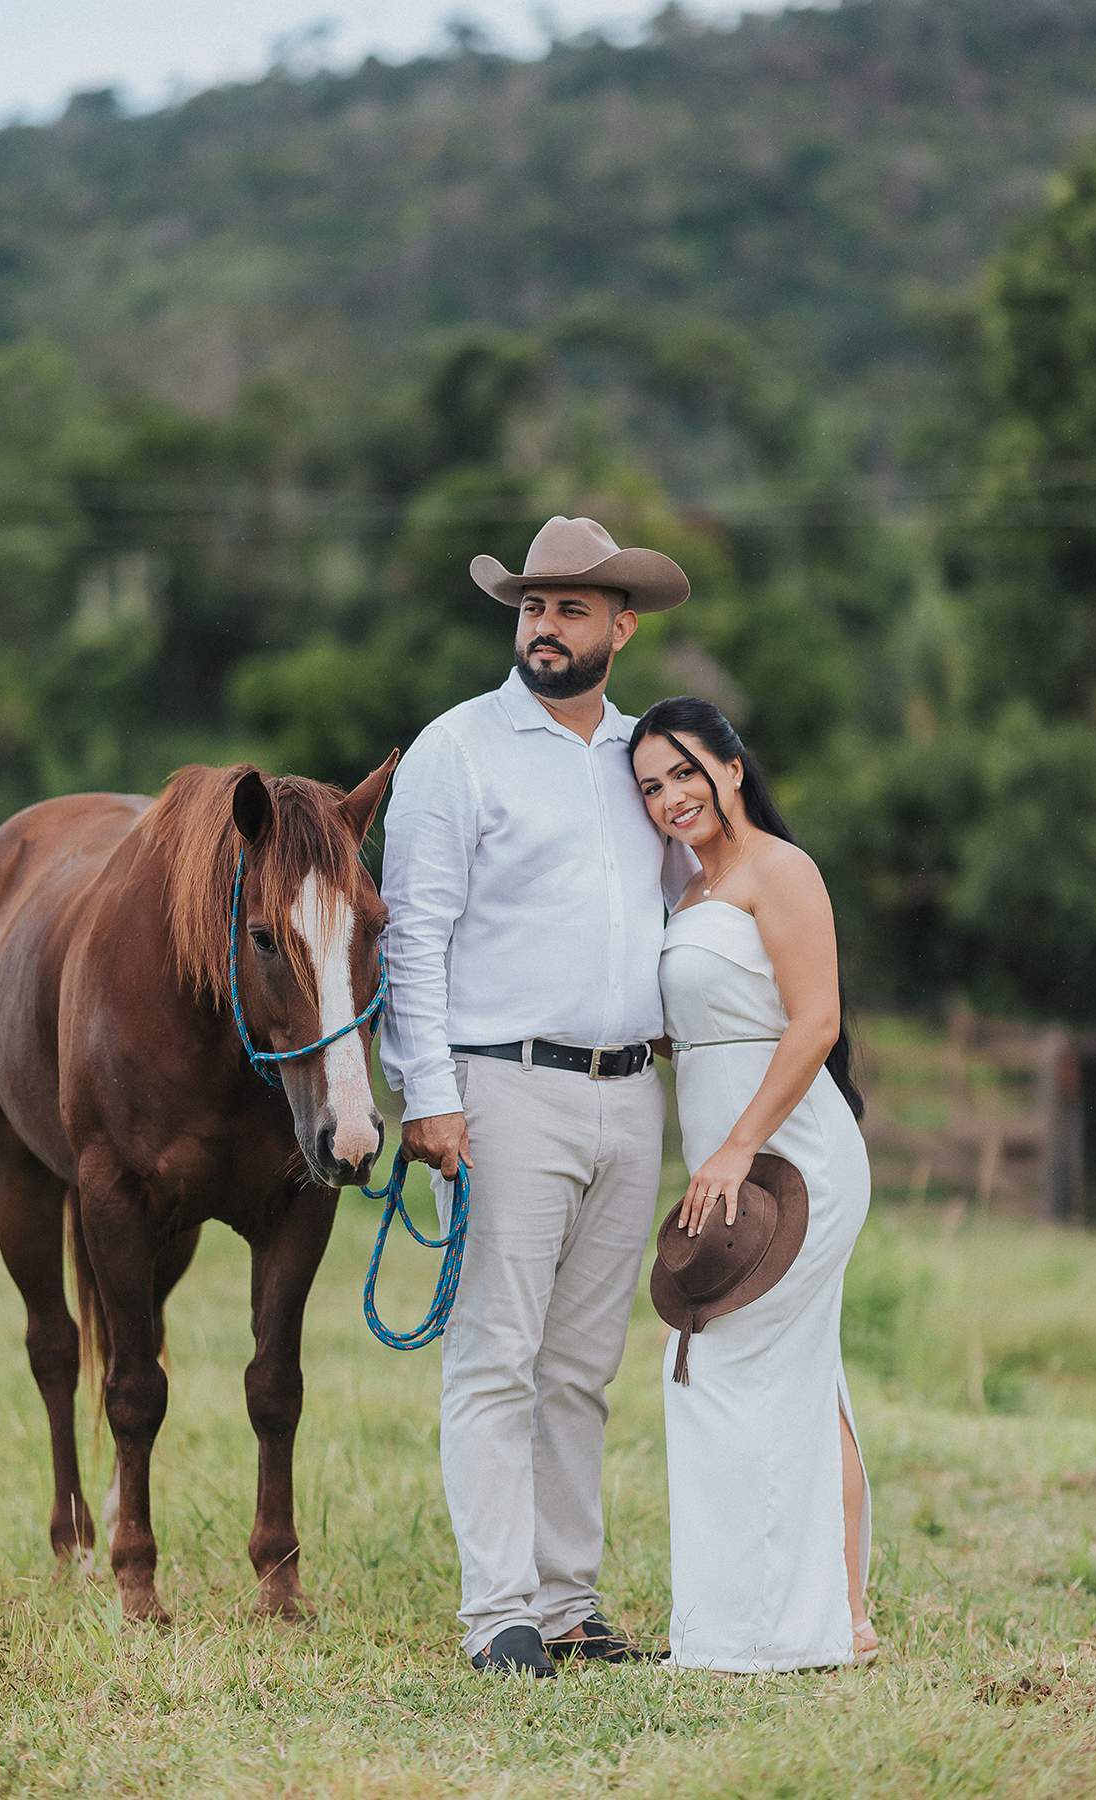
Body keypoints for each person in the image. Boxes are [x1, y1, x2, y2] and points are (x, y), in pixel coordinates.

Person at [380, 516, 694, 1676]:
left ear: (622, 625)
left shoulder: (643, 759)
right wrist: (429, 1093)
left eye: (570, 608)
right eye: (532, 606)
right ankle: (498, 1614)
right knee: (496, 1354)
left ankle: (569, 1602)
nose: (545, 626)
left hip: (629, 1093)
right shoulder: (455, 751)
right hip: (504, 1088)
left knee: (581, 1365)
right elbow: (413, 938)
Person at [630, 696, 877, 1672]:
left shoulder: (782, 870)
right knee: (801, 1376)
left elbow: (813, 1022)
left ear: (730, 765)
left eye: (684, 771)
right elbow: (708, 1019)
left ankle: (766, 1626)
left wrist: (734, 1147)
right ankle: (841, 1614)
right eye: (650, 785)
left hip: (790, 1158)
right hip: (730, 1154)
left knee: (721, 1362)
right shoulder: (688, 894)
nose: (669, 796)